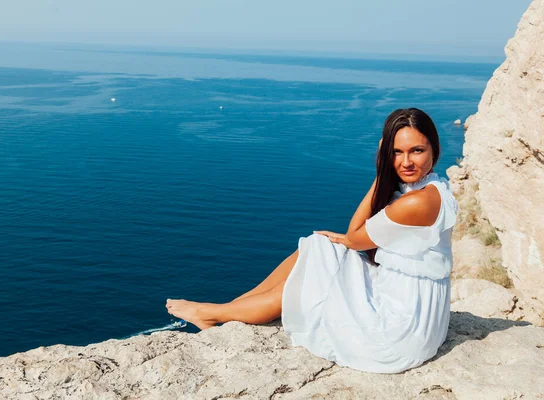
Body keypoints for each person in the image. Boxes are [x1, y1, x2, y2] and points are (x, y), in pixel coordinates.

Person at [166, 108, 458, 374]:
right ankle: (233, 308)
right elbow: (356, 238)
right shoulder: (433, 187)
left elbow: (355, 234)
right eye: (396, 152)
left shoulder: (416, 202)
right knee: (319, 248)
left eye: (416, 150)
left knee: (316, 265)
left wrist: (380, 173)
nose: (405, 162)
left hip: (396, 334)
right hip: (417, 314)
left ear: (435, 149)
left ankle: (212, 313)